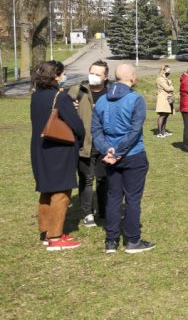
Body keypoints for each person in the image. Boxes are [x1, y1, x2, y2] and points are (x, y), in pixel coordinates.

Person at [91, 63, 155, 253]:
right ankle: (133, 240)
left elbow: (96, 130)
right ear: (132, 78)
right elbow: (134, 131)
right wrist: (116, 152)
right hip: (132, 155)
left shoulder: (101, 100)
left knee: (113, 197)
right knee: (132, 199)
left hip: (111, 155)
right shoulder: (136, 99)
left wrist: (107, 150)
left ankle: (111, 241)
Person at [31, 60, 85, 250]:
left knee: (46, 189)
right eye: (62, 73)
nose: (64, 77)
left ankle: (46, 231)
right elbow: (76, 125)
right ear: (55, 75)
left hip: (39, 147)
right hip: (59, 149)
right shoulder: (61, 97)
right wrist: (81, 135)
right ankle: (55, 237)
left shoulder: (36, 96)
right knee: (62, 191)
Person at [69, 60, 110, 228]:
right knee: (86, 179)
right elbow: (58, 111)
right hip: (84, 143)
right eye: (91, 72)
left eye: (98, 74)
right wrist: (70, 106)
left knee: (104, 179)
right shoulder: (77, 91)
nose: (93, 76)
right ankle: (87, 213)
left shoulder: (111, 92)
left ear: (105, 77)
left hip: (105, 144)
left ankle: (104, 210)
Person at [155, 64, 174, 138]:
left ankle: (164, 131)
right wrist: (171, 85)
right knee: (162, 115)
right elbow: (168, 88)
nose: (169, 72)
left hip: (167, 98)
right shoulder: (160, 79)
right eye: (168, 71)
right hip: (162, 98)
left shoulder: (166, 79)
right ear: (163, 71)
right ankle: (159, 133)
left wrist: (169, 84)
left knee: (166, 115)